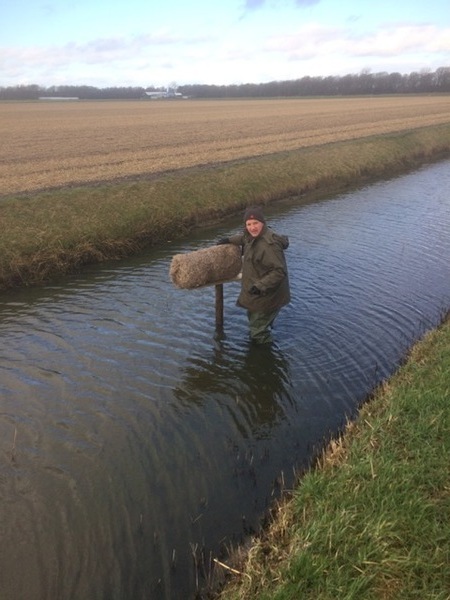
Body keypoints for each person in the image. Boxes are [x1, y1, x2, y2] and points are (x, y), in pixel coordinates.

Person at [218, 207, 290, 344]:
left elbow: (279, 271)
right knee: (255, 320)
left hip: (266, 294)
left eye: (255, 223)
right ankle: (263, 333)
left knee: (258, 331)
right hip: (257, 291)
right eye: (249, 224)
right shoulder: (252, 236)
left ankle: (263, 356)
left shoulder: (269, 245)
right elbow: (244, 238)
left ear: (262, 222)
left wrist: (259, 286)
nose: (252, 227)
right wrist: (228, 239)